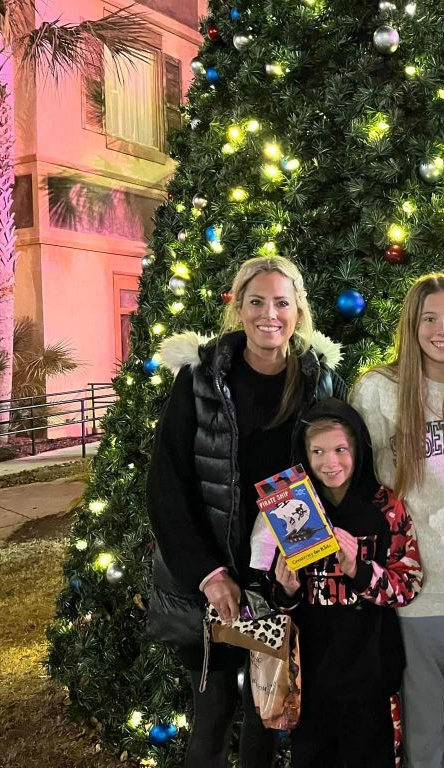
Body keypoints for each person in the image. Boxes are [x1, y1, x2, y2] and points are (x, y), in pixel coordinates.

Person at [145, 255, 348, 768]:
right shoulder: (199, 380)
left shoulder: (320, 382)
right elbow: (166, 485)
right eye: (256, 302)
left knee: (267, 713)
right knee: (213, 712)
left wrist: (300, 565)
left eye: (281, 303)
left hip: (277, 582)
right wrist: (209, 574)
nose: (269, 315)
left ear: (298, 311)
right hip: (208, 582)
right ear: (238, 307)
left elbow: (336, 474)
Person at [350, 273, 444, 768]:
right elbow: (355, 484)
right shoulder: (379, 389)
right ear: (412, 326)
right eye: (430, 318)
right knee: (422, 730)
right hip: (413, 586)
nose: (443, 330)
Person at [271, 398, 423, 768]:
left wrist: (360, 570)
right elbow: (280, 601)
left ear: (357, 447)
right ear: (305, 454)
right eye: (318, 451)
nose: (330, 462)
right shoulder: (291, 508)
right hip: (310, 680)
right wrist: (286, 590)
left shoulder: (385, 507)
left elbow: (408, 584)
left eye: (340, 449)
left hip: (371, 677)